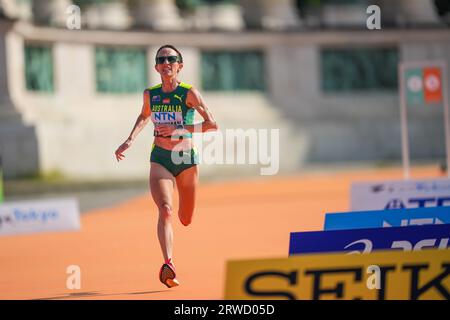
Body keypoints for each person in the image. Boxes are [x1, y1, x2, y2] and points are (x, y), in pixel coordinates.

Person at [115, 44, 218, 288]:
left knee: (185, 218)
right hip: (160, 157)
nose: (166, 62)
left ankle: (180, 227)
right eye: (162, 59)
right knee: (165, 210)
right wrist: (129, 139)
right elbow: (144, 115)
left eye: (172, 59)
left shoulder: (189, 93)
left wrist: (178, 129)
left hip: (185, 160)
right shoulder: (151, 94)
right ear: (156, 67)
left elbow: (212, 125)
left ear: (180, 66)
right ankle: (168, 264)